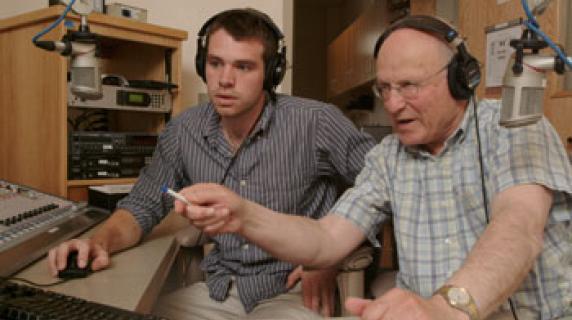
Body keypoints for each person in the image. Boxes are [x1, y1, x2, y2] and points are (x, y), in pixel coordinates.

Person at [177, 15, 572, 320]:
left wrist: (443, 308)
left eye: (409, 86)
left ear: (459, 79)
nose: (394, 104)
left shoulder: (516, 126)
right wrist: (243, 215)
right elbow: (325, 238)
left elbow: (518, 228)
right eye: (385, 88)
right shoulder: (388, 157)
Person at [47, 8, 375, 320]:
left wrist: (329, 258)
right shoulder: (183, 130)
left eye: (243, 67)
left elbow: (383, 189)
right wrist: (96, 243)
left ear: (271, 73)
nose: (224, 79)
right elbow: (142, 206)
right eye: (216, 63)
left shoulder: (315, 122)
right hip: (220, 289)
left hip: (294, 290)